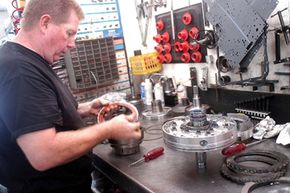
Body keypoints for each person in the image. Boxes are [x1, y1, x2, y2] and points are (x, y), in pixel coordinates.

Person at [0, 0, 142, 193]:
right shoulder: (20, 70)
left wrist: (85, 108)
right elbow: (43, 154)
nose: (72, 44)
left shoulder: (31, 61)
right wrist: (109, 129)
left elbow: (42, 114)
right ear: (45, 23)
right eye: (69, 33)